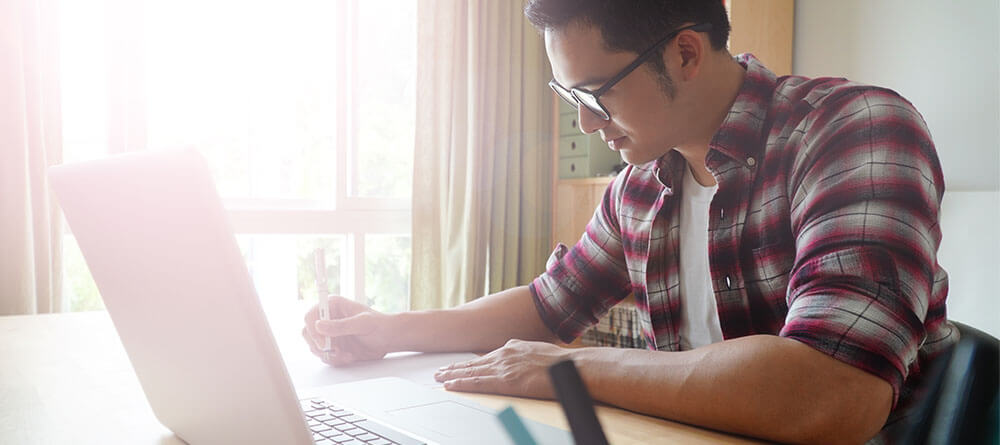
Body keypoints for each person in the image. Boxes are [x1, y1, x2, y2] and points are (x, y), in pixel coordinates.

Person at [302, 1, 955, 443]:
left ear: (687, 54)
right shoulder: (641, 186)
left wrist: (570, 370)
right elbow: (547, 303)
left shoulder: (856, 131)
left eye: (593, 92)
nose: (584, 122)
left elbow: (833, 392)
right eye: (568, 96)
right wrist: (386, 329)